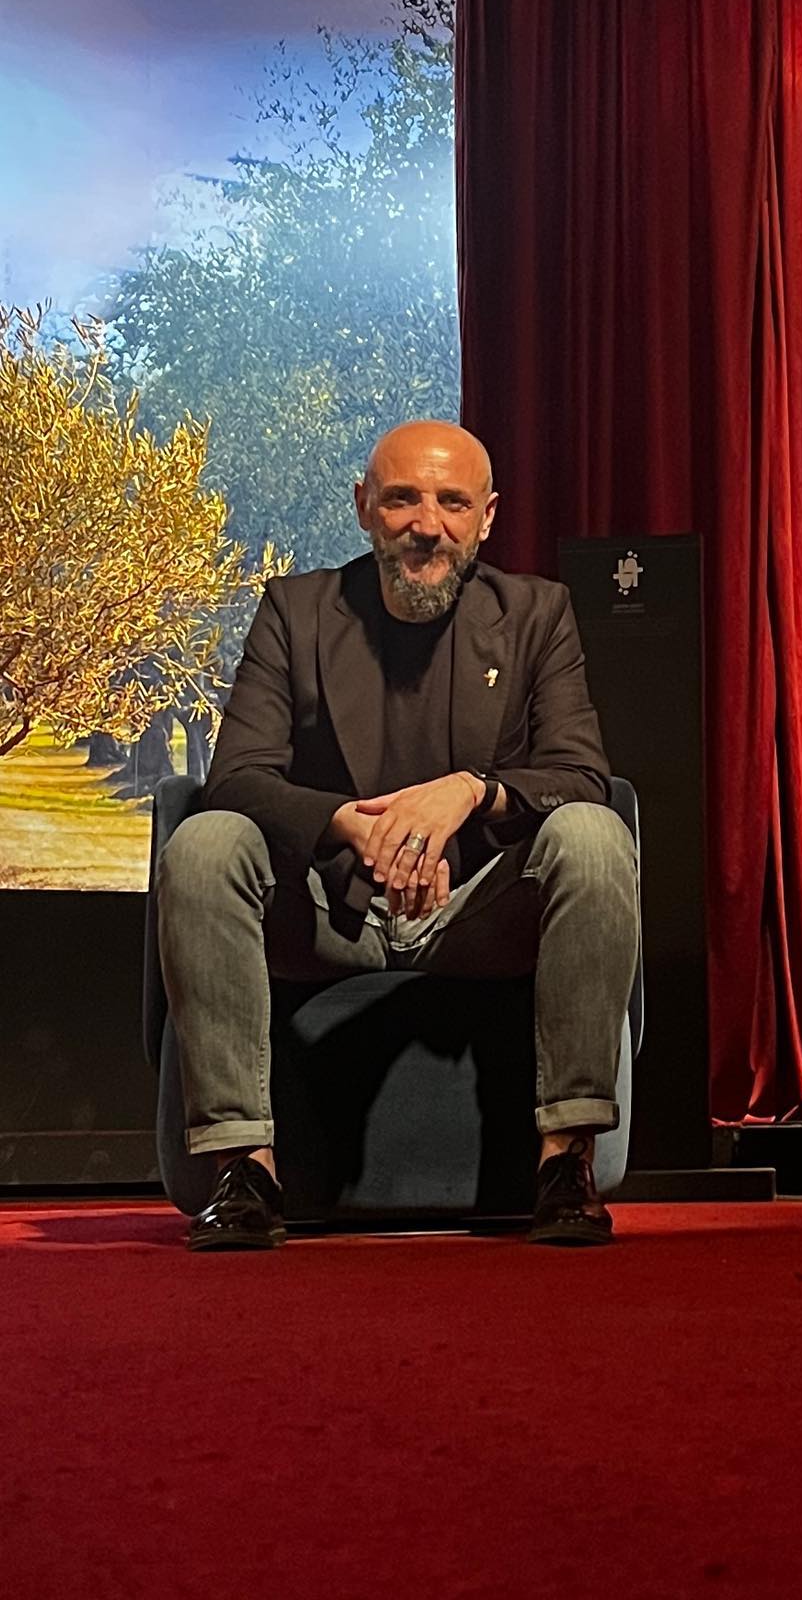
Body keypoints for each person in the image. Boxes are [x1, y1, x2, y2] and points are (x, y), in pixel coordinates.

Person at [156, 420, 638, 1250]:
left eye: (453, 503)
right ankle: (245, 1172)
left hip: (477, 911)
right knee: (203, 844)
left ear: (487, 517)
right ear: (363, 507)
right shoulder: (296, 611)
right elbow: (235, 776)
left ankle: (566, 1164)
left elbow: (580, 774)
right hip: (330, 911)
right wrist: (348, 825)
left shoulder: (536, 613)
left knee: (594, 835)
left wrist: (469, 793)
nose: (428, 524)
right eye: (403, 499)